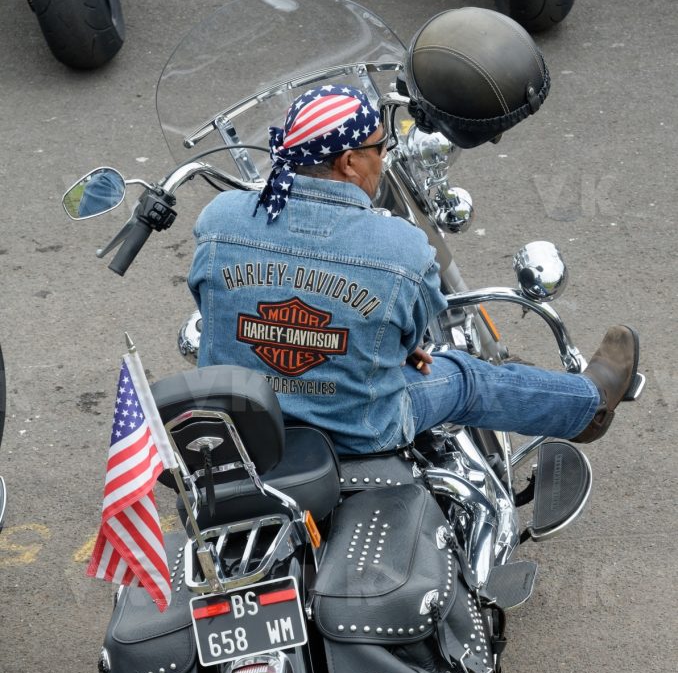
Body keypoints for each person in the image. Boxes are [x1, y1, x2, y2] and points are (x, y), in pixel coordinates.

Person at [188, 85, 639, 455]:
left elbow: (218, 310)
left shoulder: (218, 219)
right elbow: (412, 336)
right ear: (349, 162)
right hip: (360, 431)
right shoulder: (402, 247)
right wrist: (399, 348)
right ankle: (589, 405)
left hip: (238, 428)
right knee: (465, 377)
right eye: (379, 148)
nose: (383, 158)